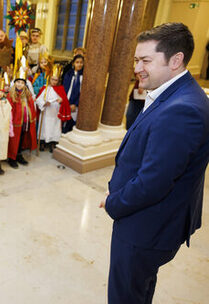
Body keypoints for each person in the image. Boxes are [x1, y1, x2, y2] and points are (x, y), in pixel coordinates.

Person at [100, 23, 209, 304]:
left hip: (146, 227)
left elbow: (154, 183)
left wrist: (114, 202)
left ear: (176, 61)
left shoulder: (182, 109)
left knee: (125, 295)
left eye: (145, 60)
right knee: (139, 289)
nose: (137, 67)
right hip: (153, 222)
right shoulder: (178, 94)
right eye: (137, 59)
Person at [35, 65, 71, 152]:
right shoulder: (45, 88)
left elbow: (65, 101)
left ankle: (52, 142)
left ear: (58, 81)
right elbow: (38, 100)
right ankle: (42, 142)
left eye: (56, 80)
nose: (54, 82)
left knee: (54, 127)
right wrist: (44, 103)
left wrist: (61, 100)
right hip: (46, 112)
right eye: (52, 79)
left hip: (55, 113)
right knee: (44, 126)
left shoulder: (60, 89)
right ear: (49, 79)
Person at [7, 67, 37, 168]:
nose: (19, 84)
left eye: (22, 82)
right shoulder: (11, 95)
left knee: (21, 140)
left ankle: (19, 154)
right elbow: (9, 109)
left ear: (25, 84)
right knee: (14, 140)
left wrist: (31, 117)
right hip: (15, 122)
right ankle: (12, 157)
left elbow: (31, 106)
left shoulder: (27, 94)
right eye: (18, 82)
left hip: (25, 122)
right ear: (14, 83)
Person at [62, 54, 84, 133]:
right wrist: (67, 102)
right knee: (65, 122)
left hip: (77, 104)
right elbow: (65, 88)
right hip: (67, 101)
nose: (79, 64)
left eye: (81, 62)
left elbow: (82, 92)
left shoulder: (84, 75)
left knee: (73, 123)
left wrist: (75, 104)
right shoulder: (68, 74)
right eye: (77, 62)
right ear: (73, 63)